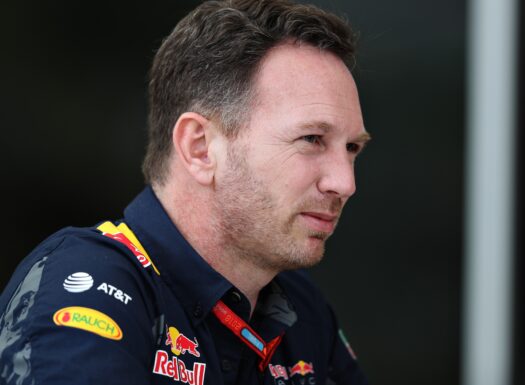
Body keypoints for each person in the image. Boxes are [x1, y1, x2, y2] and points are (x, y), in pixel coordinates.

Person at [0, 0, 371, 384]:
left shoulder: (301, 309)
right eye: (311, 139)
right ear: (200, 148)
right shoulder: (88, 281)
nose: (345, 183)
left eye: (352, 148)